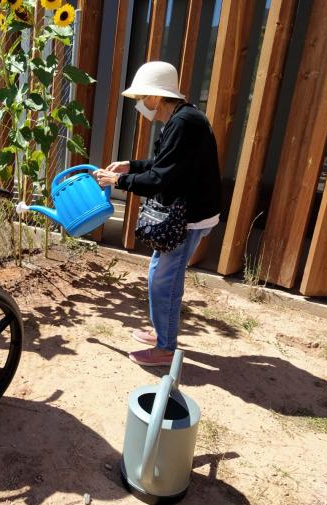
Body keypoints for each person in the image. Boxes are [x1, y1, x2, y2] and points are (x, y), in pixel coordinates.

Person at [96, 61, 221, 367]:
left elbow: (161, 178)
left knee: (162, 281)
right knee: (163, 277)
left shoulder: (183, 122)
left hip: (187, 217)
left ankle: (165, 348)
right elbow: (163, 163)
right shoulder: (182, 118)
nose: (140, 104)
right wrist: (130, 165)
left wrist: (119, 181)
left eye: (142, 97)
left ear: (155, 96)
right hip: (189, 214)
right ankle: (161, 332)